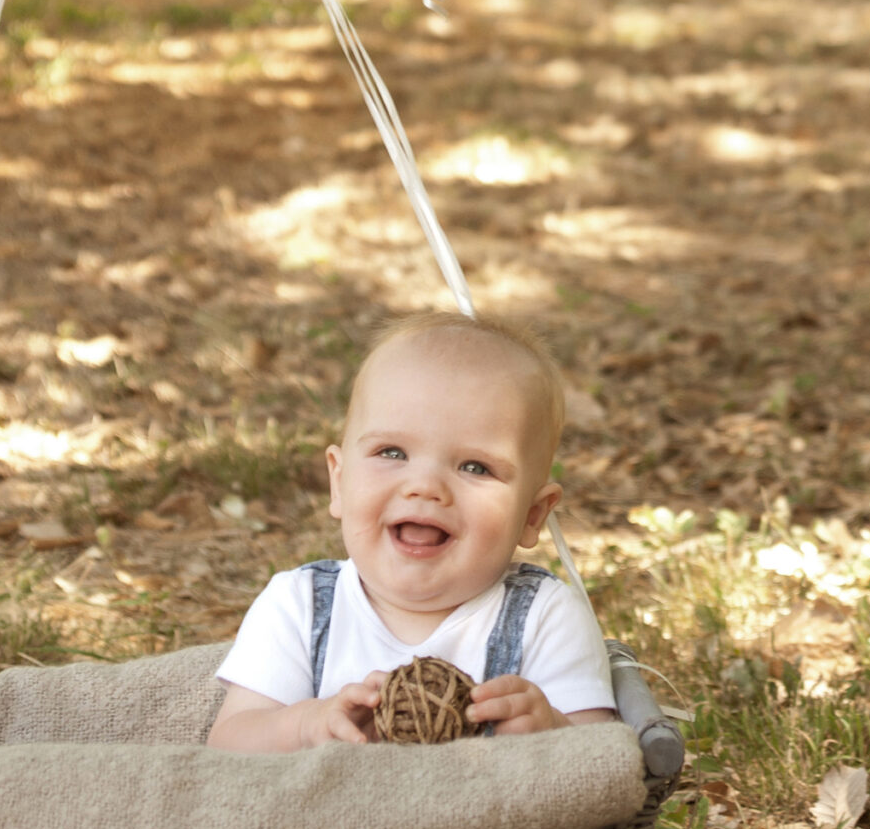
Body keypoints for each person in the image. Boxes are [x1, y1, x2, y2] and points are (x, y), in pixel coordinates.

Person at [207, 310, 617, 751]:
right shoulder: (298, 607)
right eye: (392, 453)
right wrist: (307, 725)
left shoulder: (546, 618)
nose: (425, 486)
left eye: (475, 467)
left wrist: (552, 731)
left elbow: (601, 758)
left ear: (532, 516)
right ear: (338, 482)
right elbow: (228, 744)